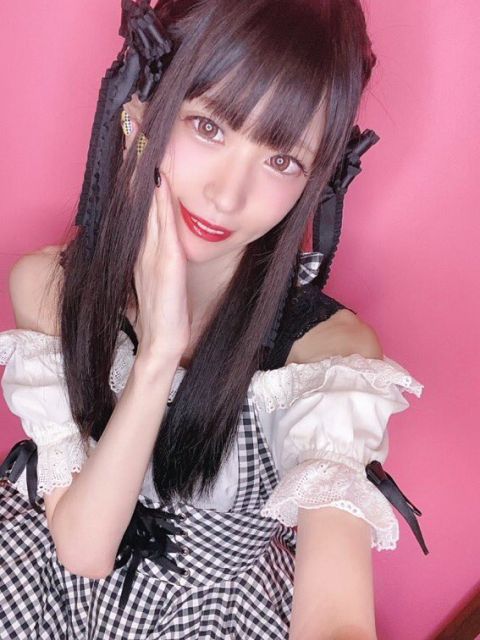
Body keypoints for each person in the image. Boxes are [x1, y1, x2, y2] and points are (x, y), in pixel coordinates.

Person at [0, 1, 428, 638]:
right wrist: (157, 357)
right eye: (208, 127)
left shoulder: (325, 361)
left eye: (282, 161)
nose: (227, 195)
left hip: (220, 613)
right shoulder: (51, 288)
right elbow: (84, 550)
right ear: (139, 114)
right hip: (54, 586)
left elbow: (337, 615)